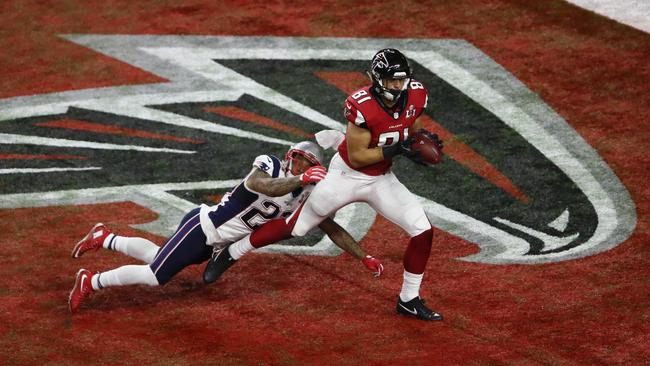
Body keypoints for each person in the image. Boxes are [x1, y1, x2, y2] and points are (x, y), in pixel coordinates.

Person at [203, 49, 445, 321]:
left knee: (422, 230)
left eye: (401, 80)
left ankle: (408, 300)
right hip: (347, 175)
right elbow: (358, 156)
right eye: (391, 81)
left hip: (381, 178)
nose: (398, 87)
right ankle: (232, 252)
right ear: (377, 80)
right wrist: (397, 149)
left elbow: (412, 128)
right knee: (297, 227)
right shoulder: (361, 104)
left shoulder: (416, 94)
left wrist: (417, 144)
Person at [68, 141, 384, 313]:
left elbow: (330, 227)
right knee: (156, 276)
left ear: (316, 169)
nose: (299, 165)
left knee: (157, 257)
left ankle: (104, 237)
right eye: (297, 159)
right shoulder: (271, 165)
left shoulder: (306, 193)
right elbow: (261, 185)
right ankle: (92, 281)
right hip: (205, 226)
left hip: (214, 239)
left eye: (306, 164)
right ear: (290, 156)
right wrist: (299, 178)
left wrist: (363, 256)